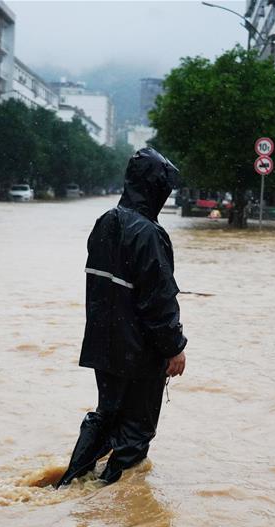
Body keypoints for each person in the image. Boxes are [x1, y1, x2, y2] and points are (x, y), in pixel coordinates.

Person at [57, 148, 187, 488]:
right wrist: (175, 347)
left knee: (107, 414)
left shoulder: (106, 221)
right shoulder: (149, 234)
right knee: (136, 429)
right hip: (139, 352)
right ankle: (109, 497)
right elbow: (157, 301)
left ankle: (71, 484)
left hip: (103, 346)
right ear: (155, 188)